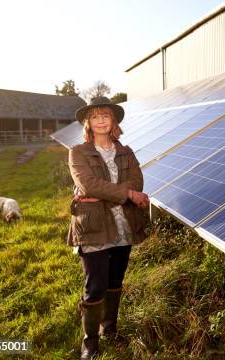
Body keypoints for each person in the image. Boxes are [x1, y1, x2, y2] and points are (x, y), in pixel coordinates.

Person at [66, 96, 150, 360]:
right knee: (95, 285)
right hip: (93, 227)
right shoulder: (77, 152)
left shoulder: (126, 152)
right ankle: (89, 343)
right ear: (88, 123)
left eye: (106, 115)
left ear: (113, 121)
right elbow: (88, 184)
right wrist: (127, 193)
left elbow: (138, 180)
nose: (100, 120)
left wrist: (117, 192)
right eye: (95, 116)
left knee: (116, 280)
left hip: (123, 225)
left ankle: (110, 330)